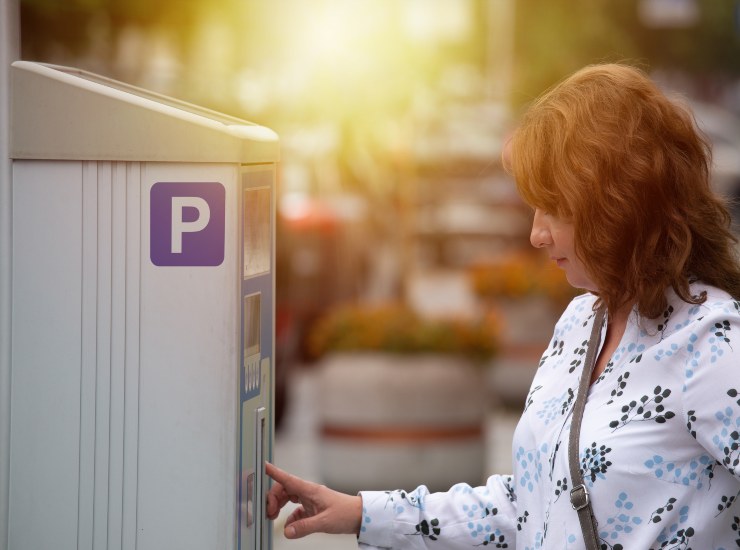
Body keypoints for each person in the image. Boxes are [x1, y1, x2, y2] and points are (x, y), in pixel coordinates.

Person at [266, 63, 740, 548]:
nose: (536, 234)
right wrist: (360, 513)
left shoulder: (710, 342)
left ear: (619, 202)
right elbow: (531, 505)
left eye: (554, 207)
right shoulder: (581, 322)